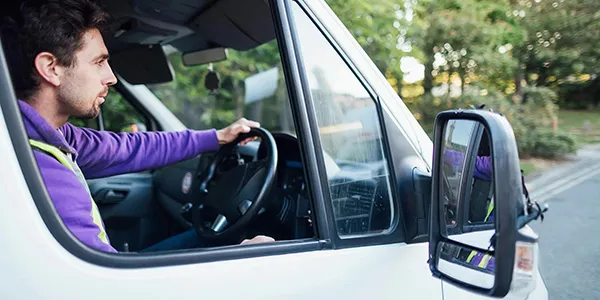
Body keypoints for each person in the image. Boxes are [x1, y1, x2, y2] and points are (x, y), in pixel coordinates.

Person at [1, 0, 274, 253]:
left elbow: (127, 147)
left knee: (201, 239)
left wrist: (215, 138)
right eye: (99, 62)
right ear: (51, 68)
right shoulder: (39, 171)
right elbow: (103, 286)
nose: (111, 78)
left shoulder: (48, 134)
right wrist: (238, 261)